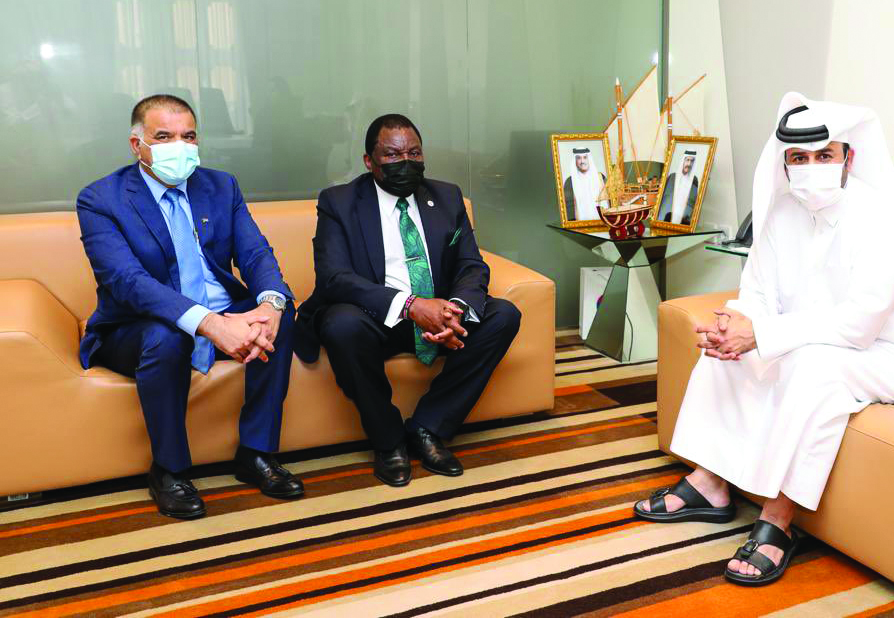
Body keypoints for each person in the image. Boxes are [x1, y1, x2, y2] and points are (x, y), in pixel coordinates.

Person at [634, 92, 894, 586]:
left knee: (809, 366)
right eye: (798, 158)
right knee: (728, 348)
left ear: (849, 157)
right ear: (784, 163)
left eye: (823, 155)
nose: (811, 167)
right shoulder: (780, 214)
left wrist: (760, 332)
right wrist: (736, 324)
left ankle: (778, 521)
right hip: (821, 342)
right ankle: (709, 482)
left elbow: (858, 326)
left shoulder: (887, 221)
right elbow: (758, 293)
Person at [77, 94, 304, 519]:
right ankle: (169, 470)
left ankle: (256, 453)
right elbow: (127, 283)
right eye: (163, 137)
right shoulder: (100, 199)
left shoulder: (221, 186)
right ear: (136, 145)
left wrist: (270, 304)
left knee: (282, 310)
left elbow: (255, 255)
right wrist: (211, 324)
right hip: (137, 326)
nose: (178, 146)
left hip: (220, 310)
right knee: (167, 335)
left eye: (188, 136)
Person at [295, 114, 521, 488]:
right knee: (341, 323)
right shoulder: (339, 201)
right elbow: (335, 278)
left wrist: (455, 310)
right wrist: (412, 305)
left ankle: (427, 428)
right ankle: (388, 441)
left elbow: (471, 264)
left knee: (504, 315)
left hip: (439, 313)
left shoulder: (447, 196)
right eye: (392, 155)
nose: (406, 162)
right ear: (369, 161)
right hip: (377, 317)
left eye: (414, 153)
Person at [563, 147, 607, 221]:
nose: (582, 161)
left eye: (585, 157)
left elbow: (611, 201)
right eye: (579, 158)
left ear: (589, 159)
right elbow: (568, 209)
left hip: (604, 223)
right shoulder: (569, 182)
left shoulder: (601, 178)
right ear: (575, 161)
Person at [658, 150, 699, 224]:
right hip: (664, 218)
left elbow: (693, 204)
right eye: (687, 160)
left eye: (692, 161)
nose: (689, 164)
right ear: (683, 161)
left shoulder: (694, 180)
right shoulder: (672, 177)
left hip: (682, 220)